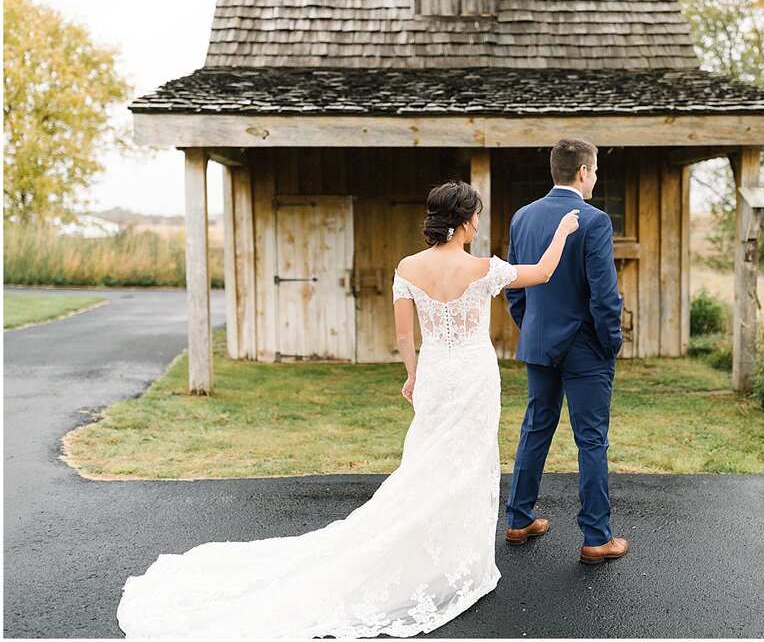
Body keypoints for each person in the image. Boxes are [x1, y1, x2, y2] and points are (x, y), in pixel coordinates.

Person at [115, 179, 579, 638]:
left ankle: (427, 546)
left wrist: (414, 375)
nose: (478, 224)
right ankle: (455, 558)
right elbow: (540, 273)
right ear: (461, 222)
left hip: (437, 373)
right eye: (475, 216)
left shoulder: (408, 267)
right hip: (474, 374)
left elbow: (403, 336)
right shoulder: (482, 268)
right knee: (469, 460)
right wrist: (560, 234)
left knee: (427, 460)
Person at [503, 138, 627, 564]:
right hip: (585, 347)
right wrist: (610, 342)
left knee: (535, 427)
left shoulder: (522, 217)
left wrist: (531, 327)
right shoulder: (595, 221)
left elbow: (514, 285)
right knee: (591, 439)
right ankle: (596, 537)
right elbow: (604, 296)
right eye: (593, 171)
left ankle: (519, 518)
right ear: (582, 173)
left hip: (539, 341)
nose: (594, 178)